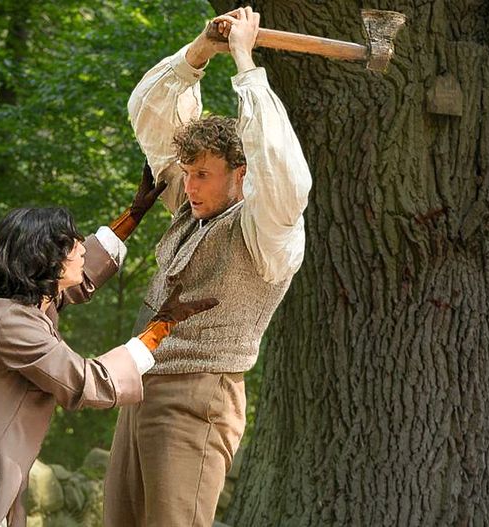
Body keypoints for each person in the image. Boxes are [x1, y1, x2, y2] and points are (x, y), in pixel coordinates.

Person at [0, 168, 217, 527]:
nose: (82, 247)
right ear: (45, 260)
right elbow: (84, 381)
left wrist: (131, 217)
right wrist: (162, 325)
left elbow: (72, 281)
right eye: (72, 244)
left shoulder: (12, 297)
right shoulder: (13, 324)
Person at [103, 7, 312, 526]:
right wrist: (201, 50)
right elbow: (152, 113)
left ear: (240, 174)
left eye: (203, 175)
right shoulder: (190, 208)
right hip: (140, 388)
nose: (190, 185)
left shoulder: (266, 228)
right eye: (188, 173)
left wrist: (244, 59)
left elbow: (279, 162)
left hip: (197, 398)